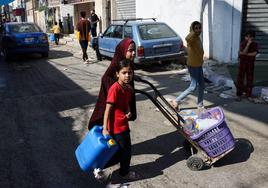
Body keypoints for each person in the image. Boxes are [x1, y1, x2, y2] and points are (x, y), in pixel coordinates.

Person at [93, 59, 139, 181]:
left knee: (123, 152)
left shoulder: (127, 88)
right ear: (117, 74)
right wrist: (105, 128)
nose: (127, 75)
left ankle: (121, 171)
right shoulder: (115, 89)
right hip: (116, 127)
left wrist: (128, 110)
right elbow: (107, 109)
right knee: (123, 152)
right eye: (124, 73)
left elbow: (125, 104)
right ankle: (100, 167)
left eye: (130, 72)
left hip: (123, 124)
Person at [88, 38, 136, 130]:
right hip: (115, 115)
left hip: (123, 113)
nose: (133, 53)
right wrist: (121, 88)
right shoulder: (116, 66)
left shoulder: (128, 64)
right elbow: (106, 78)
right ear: (123, 51)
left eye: (134, 50)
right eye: (130, 50)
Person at [171, 21, 205, 112]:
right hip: (193, 65)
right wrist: (193, 32)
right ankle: (176, 101)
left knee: (202, 85)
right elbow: (187, 38)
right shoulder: (192, 38)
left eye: (199, 28)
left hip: (198, 65)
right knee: (193, 86)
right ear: (193, 29)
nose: (198, 30)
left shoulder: (197, 38)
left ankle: (200, 104)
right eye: (196, 28)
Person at [236, 30, 259, 101]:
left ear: (253, 37)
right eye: (247, 36)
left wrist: (244, 53)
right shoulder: (243, 44)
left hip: (250, 64)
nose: (248, 38)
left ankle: (248, 94)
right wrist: (248, 45)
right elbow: (242, 52)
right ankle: (239, 94)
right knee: (240, 78)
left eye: (250, 37)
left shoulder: (255, 44)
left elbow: (254, 54)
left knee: (250, 79)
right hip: (242, 63)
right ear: (245, 37)